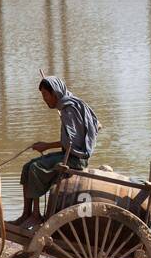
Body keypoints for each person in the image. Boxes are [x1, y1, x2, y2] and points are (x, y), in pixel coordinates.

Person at [14, 76, 101, 231]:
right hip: (69, 154)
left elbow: (71, 143)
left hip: (75, 160)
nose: (45, 100)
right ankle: (26, 214)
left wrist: (46, 146)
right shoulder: (70, 103)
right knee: (27, 167)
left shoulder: (68, 109)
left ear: (55, 93)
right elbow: (95, 126)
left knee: (35, 168)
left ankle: (35, 216)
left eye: (46, 95)